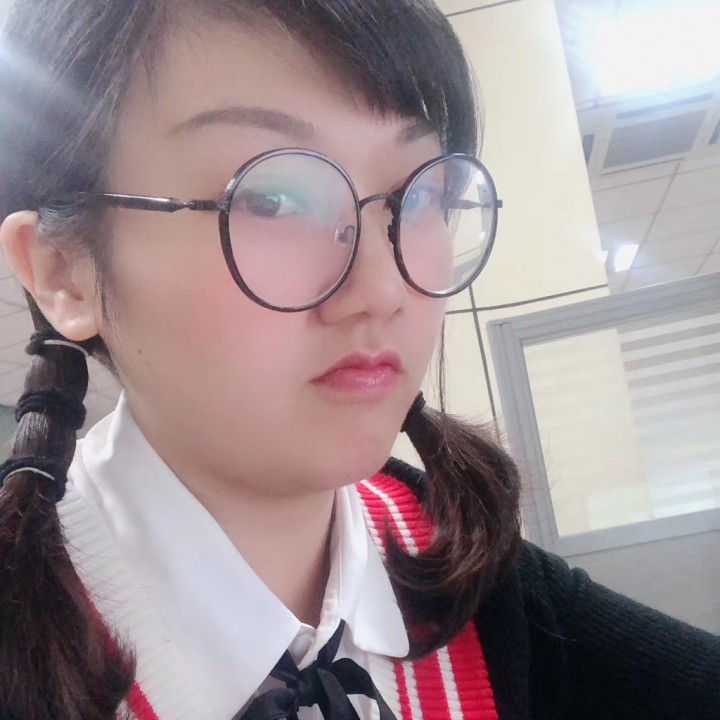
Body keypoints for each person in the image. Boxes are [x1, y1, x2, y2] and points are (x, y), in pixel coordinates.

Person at [0, 1, 718, 718]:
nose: (382, 289)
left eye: (422, 192)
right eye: (273, 200)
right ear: (64, 271)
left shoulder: (482, 586)